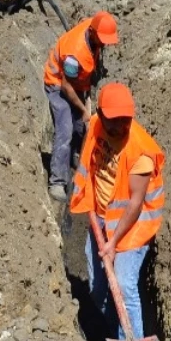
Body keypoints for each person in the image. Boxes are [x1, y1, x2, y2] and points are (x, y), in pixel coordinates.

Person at [69, 82, 165, 341]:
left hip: (133, 228)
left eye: (125, 121)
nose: (120, 127)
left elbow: (136, 204)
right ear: (101, 116)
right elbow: (92, 165)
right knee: (98, 288)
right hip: (103, 219)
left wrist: (112, 244)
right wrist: (89, 203)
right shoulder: (97, 125)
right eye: (114, 122)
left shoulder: (141, 150)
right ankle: (116, 333)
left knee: (123, 284)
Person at [43, 11, 119, 202]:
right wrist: (85, 110)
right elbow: (67, 87)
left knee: (79, 127)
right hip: (58, 85)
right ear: (92, 32)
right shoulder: (74, 54)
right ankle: (58, 181)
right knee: (65, 130)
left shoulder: (93, 31)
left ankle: (74, 156)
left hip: (77, 84)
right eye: (102, 39)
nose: (104, 43)